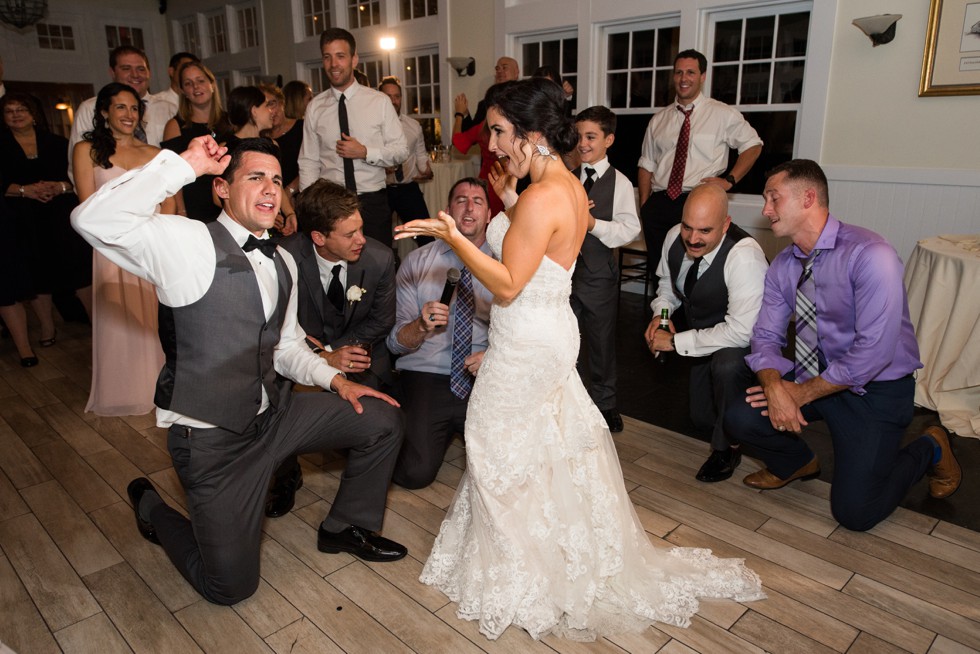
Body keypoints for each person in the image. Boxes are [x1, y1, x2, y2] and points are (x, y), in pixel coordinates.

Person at [395, 78, 763, 641]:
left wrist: (457, 237)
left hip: (526, 340)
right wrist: (512, 198)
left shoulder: (545, 194)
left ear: (530, 132)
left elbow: (511, 281)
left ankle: (524, 567)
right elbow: (545, 243)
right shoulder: (563, 185)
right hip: (549, 331)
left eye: (497, 131)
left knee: (493, 442)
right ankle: (544, 547)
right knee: (542, 441)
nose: (491, 144)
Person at [71, 136, 408, 606]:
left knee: (381, 418)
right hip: (214, 443)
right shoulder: (185, 241)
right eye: (254, 177)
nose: (270, 188)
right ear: (221, 190)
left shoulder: (285, 259)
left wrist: (337, 380)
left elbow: (287, 346)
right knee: (229, 588)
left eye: (275, 179)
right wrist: (184, 164)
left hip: (276, 420)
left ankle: (345, 526)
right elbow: (91, 219)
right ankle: (152, 508)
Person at [724, 159, 961, 531]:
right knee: (740, 416)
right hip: (815, 384)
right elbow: (766, 336)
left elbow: (874, 353)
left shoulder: (871, 255)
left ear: (808, 198)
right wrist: (773, 385)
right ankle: (797, 463)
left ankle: (930, 446)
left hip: (876, 390)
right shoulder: (784, 265)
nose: (765, 209)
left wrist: (800, 394)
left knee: (855, 513)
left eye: (773, 198)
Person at [267, 179, 397, 517]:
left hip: (360, 356)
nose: (362, 240)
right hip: (297, 356)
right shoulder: (284, 258)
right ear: (318, 238)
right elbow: (280, 328)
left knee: (377, 419)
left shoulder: (379, 259)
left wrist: (337, 352)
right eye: (350, 234)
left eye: (361, 229)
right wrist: (322, 356)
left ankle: (351, 516)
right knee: (274, 396)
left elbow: (381, 322)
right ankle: (285, 473)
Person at [644, 184, 768, 482]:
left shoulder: (745, 257)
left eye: (704, 231)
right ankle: (737, 418)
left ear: (725, 224)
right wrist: (662, 316)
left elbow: (740, 331)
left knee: (727, 366)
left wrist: (674, 341)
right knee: (701, 418)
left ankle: (729, 448)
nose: (692, 238)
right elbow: (666, 285)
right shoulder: (675, 236)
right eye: (688, 227)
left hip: (742, 341)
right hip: (702, 331)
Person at [387, 177, 494, 489]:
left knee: (498, 472)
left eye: (478, 200)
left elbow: (522, 329)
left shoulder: (504, 261)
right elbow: (395, 342)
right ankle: (423, 425)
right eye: (461, 200)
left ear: (489, 215)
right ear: (447, 212)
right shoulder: (418, 262)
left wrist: (494, 354)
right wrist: (420, 326)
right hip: (428, 372)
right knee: (414, 474)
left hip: (485, 372)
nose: (470, 206)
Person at [73, 83, 171, 416]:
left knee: (154, 321)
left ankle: (159, 388)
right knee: (117, 320)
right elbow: (87, 207)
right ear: (103, 112)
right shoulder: (86, 151)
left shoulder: (155, 154)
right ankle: (121, 391)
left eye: (134, 108)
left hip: (149, 245)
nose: (129, 115)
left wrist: (159, 244)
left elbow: (169, 206)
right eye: (120, 108)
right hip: (110, 248)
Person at [637, 49, 762, 267]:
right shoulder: (659, 119)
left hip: (698, 201)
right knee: (659, 268)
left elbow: (752, 145)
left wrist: (729, 180)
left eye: (690, 72)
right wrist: (646, 206)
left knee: (693, 268)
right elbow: (646, 164)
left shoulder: (722, 114)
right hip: (659, 203)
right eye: (678, 73)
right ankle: (663, 303)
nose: (684, 78)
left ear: (703, 76)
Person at [562, 106, 641, 433]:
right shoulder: (566, 178)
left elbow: (629, 230)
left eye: (591, 137)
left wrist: (593, 223)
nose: (583, 143)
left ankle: (606, 404)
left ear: (608, 139)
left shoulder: (620, 182)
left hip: (598, 277)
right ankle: (570, 401)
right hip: (565, 276)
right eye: (579, 136)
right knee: (567, 340)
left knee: (600, 343)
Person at [1, 93, 91, 366]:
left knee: (79, 269)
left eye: (22, 109)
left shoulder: (59, 143)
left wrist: (59, 186)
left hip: (58, 214)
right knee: (35, 273)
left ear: (34, 113)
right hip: (19, 218)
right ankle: (47, 326)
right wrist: (23, 190)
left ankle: (98, 327)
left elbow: (76, 177)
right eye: (10, 111)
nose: (16, 114)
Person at [298, 27, 407, 247]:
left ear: (354, 59)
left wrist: (366, 152)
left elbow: (401, 150)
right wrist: (308, 205)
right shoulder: (315, 108)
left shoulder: (379, 102)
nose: (333, 64)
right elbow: (309, 161)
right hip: (330, 203)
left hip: (372, 202)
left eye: (340, 56)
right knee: (334, 268)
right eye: (327, 57)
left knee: (377, 265)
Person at [68, 46, 173, 180]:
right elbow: (78, 169)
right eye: (126, 68)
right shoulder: (89, 108)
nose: (135, 74)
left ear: (149, 73)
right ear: (112, 72)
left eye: (141, 69)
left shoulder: (168, 108)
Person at [161, 61, 230, 222]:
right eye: (188, 83)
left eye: (200, 81)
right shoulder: (175, 126)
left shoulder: (230, 121)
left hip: (227, 204)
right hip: (194, 207)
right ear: (183, 91)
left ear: (212, 84)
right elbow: (172, 175)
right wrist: (181, 211)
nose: (196, 87)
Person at [225, 86, 297, 236]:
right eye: (266, 106)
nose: (271, 111)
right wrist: (263, 209)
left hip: (271, 224)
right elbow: (219, 196)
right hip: (242, 227)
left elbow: (276, 183)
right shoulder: (227, 149)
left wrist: (289, 213)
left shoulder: (271, 144)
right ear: (254, 110)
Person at [379, 75, 433, 243]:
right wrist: (380, 167)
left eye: (397, 96)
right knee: (379, 240)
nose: (394, 101)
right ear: (380, 98)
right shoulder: (371, 128)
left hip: (407, 189)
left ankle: (429, 269)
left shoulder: (413, 126)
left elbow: (421, 155)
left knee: (426, 238)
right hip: (380, 190)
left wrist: (427, 171)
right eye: (388, 96)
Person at [451, 81, 516, 217]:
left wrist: (459, 115)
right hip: (501, 186)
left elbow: (458, 142)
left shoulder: (483, 127)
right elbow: (459, 143)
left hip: (489, 185)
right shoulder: (486, 127)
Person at [456, 56, 520, 132]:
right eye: (497, 69)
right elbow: (473, 134)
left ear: (516, 73)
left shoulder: (523, 100)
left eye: (504, 68)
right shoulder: (484, 104)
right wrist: (464, 113)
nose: (499, 71)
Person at [266, 82, 305, 194]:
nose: (271, 111)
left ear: (282, 103)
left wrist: (290, 190)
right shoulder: (260, 137)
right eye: (265, 106)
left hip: (301, 194)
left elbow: (313, 164)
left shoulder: (302, 127)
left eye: (272, 104)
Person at [151, 51, 200, 118]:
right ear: (171, 72)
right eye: (184, 68)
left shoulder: (200, 103)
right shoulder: (155, 103)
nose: (189, 74)